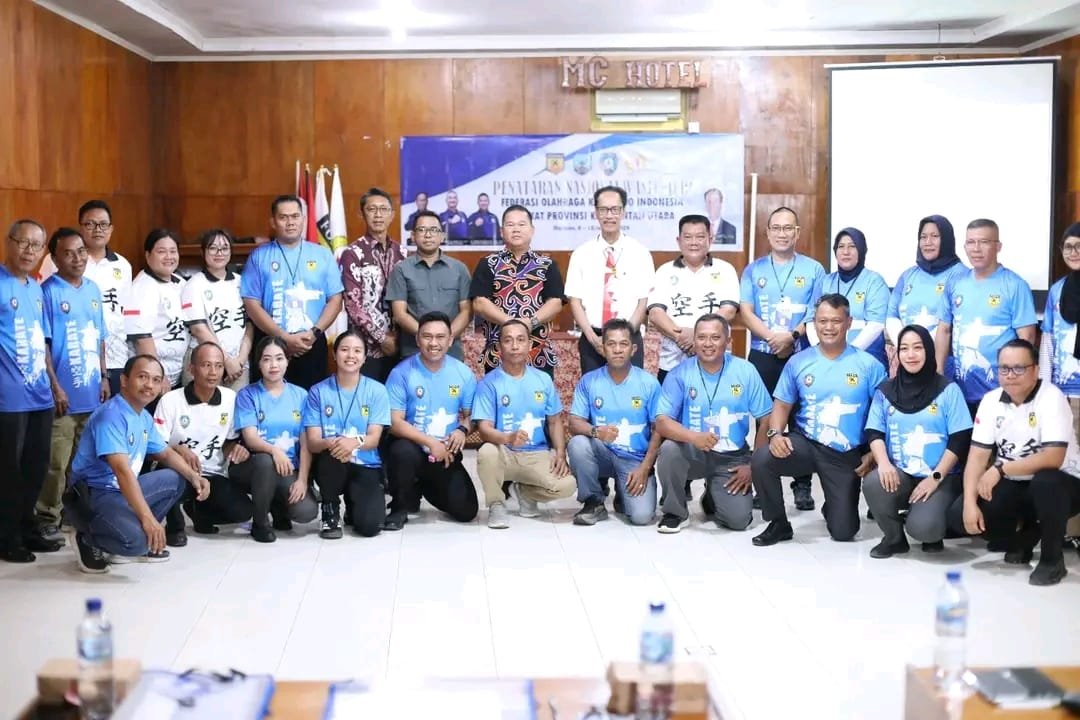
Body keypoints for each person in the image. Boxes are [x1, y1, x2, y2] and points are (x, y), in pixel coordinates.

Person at [750, 294, 885, 546]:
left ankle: (834, 505)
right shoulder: (798, 362)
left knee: (844, 532)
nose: (829, 327)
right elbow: (781, 405)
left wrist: (872, 452)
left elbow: (882, 414)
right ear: (814, 323)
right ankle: (778, 523)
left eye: (836, 321)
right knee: (762, 458)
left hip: (845, 451)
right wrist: (775, 434)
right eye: (823, 321)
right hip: (806, 443)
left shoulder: (869, 366)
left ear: (848, 323)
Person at [63, 355, 211, 573]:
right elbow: (122, 471)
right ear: (124, 380)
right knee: (137, 543)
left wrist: (194, 477)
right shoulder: (111, 416)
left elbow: (165, 453)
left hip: (120, 492)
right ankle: (86, 538)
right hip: (95, 495)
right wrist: (148, 519)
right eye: (142, 377)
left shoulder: (142, 417)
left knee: (176, 478)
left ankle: (130, 531)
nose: (149, 385)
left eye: (156, 380)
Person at [959, 339, 1080, 586]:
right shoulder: (990, 401)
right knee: (961, 515)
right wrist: (969, 504)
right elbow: (977, 457)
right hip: (1016, 483)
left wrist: (1000, 469)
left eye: (1019, 368)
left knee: (1046, 482)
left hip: (1063, 484)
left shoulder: (1052, 398)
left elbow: (1053, 457)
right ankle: (1026, 536)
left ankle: (1052, 559)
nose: (1010, 375)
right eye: (1004, 368)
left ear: (1035, 370)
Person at [740, 206, 825, 510]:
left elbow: (817, 311)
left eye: (788, 228)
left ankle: (802, 485)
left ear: (797, 232)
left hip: (801, 354)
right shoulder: (753, 270)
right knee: (764, 419)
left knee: (801, 419)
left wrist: (792, 336)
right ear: (767, 233)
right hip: (763, 354)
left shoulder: (814, 270)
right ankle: (762, 486)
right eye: (776, 228)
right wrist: (772, 338)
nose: (782, 233)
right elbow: (746, 311)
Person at [654, 314, 772, 533]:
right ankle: (675, 512)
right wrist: (694, 437)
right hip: (692, 451)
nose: (708, 344)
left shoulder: (745, 371)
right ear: (694, 340)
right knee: (669, 449)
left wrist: (752, 465)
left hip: (732, 457)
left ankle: (713, 496)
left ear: (728, 341)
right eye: (701, 337)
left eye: (715, 337)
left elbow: (766, 419)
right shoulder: (680, 373)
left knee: (738, 521)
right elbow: (661, 422)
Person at [862, 325, 972, 558]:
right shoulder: (886, 391)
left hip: (940, 477)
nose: (910, 355)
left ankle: (931, 522)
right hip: (901, 473)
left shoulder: (948, 390)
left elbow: (959, 439)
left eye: (917, 348)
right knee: (873, 483)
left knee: (925, 529)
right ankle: (894, 538)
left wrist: (935, 478)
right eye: (904, 349)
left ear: (929, 350)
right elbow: (874, 431)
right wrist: (883, 464)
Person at [36, 228, 108, 542]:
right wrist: (55, 387)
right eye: (68, 253)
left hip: (91, 392)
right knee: (56, 463)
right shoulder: (48, 292)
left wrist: (104, 376)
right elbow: (43, 345)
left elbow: (100, 337)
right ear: (54, 258)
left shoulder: (93, 289)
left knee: (84, 462)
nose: (77, 258)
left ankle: (73, 514)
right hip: (63, 397)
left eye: (81, 251)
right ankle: (46, 517)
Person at [474, 320, 576, 529]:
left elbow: (554, 421)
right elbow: (484, 430)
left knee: (568, 485)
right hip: (504, 452)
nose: (515, 346)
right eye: (508, 340)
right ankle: (496, 504)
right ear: (499, 346)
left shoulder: (543, 380)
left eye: (520, 340)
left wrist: (559, 452)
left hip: (536, 453)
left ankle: (525, 492)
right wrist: (508, 438)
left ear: (530, 345)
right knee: (486, 452)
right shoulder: (488, 383)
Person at [383, 312, 479, 531]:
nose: (433, 343)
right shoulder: (401, 373)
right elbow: (394, 422)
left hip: (445, 453)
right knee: (401, 451)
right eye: (427, 336)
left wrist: (462, 430)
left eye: (440, 337)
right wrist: (430, 442)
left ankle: (421, 486)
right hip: (412, 449)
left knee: (467, 511)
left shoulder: (463, 373)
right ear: (418, 340)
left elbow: (472, 415)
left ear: (450, 340)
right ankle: (399, 507)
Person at [0, 220, 59, 563]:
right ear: (9, 243)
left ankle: (26, 527)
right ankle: (7, 536)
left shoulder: (36, 288)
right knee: (8, 469)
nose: (28, 251)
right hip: (8, 397)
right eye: (22, 242)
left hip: (40, 394)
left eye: (36, 245)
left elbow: (42, 342)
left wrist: (53, 384)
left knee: (36, 466)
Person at [935, 218, 1037, 418]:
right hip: (960, 392)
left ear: (998, 246)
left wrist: (1017, 384)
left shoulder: (1015, 285)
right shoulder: (955, 283)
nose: (976, 249)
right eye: (971, 242)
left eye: (984, 242)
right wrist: (938, 371)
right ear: (964, 247)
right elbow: (944, 329)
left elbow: (1027, 337)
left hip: (1001, 393)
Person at [154, 342, 253, 546]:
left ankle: (200, 514)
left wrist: (236, 449)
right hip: (178, 470)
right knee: (167, 473)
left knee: (243, 511)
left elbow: (228, 442)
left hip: (212, 472)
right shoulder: (170, 400)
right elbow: (155, 448)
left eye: (218, 366)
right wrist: (178, 450)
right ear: (191, 369)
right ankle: (175, 526)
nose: (213, 372)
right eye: (206, 365)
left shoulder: (230, 398)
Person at [241, 195, 344, 390]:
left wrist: (314, 333)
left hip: (311, 342)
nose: (290, 222)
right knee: (268, 399)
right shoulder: (259, 256)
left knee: (311, 400)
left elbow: (336, 299)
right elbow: (251, 304)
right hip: (271, 343)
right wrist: (283, 337)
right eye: (283, 217)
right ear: (273, 222)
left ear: (303, 219)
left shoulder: (322, 254)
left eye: (295, 216)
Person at [567, 318, 662, 527]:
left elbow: (659, 430)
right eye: (611, 344)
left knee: (641, 517)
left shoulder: (649, 383)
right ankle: (593, 501)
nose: (617, 350)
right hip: (602, 451)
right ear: (603, 348)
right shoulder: (589, 381)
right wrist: (596, 431)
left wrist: (645, 467)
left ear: (633, 349)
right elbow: (574, 422)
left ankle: (623, 491)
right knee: (578, 444)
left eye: (623, 344)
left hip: (635, 459)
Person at [37, 200, 132, 396]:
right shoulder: (54, 261)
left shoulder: (123, 265)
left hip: (116, 358)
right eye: (90, 224)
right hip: (70, 360)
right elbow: (43, 309)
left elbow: (124, 312)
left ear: (111, 228)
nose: (97, 230)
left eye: (103, 224)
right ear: (80, 227)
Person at [303, 331, 390, 539]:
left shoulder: (377, 391)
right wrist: (335, 443)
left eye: (357, 351)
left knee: (370, 527)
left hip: (365, 463)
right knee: (329, 456)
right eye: (344, 349)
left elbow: (373, 439)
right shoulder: (318, 391)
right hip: (331, 461)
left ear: (365, 357)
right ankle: (330, 510)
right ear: (334, 355)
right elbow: (313, 442)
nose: (351, 355)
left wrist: (354, 442)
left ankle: (353, 506)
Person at [232, 337, 319, 543]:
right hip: (253, 466)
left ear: (287, 361)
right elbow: (251, 438)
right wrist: (274, 451)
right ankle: (260, 522)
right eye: (267, 359)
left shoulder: (301, 395)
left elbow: (306, 444)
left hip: (288, 468)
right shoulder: (247, 395)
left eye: (279, 358)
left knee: (306, 511)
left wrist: (302, 480)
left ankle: (277, 506)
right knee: (265, 462)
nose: (273, 365)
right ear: (258, 363)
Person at [566, 185, 655, 373]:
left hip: (629, 338)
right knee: (594, 390)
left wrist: (623, 340)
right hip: (593, 338)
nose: (609, 215)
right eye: (603, 210)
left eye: (615, 209)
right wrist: (592, 338)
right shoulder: (581, 254)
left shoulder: (640, 252)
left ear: (623, 212)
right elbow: (574, 301)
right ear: (596, 213)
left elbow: (643, 302)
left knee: (631, 390)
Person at [470, 205, 564, 376]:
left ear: (532, 230)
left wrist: (530, 322)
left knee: (538, 393)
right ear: (501, 231)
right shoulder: (488, 263)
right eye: (510, 225)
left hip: (538, 354)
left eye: (521, 224)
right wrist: (511, 323)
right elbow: (480, 303)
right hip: (498, 353)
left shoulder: (547, 264)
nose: (516, 229)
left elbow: (556, 302)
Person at [648, 214, 740, 384]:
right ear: (678, 241)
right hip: (672, 364)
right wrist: (683, 337)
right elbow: (655, 314)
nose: (694, 242)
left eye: (700, 237)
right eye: (688, 237)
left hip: (716, 363)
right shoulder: (664, 271)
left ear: (710, 239)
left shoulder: (725, 270)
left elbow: (729, 310)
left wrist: (697, 336)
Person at [338, 188, 405, 384]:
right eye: (372, 209)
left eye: (383, 209)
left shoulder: (402, 252)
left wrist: (399, 338)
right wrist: (382, 338)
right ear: (362, 214)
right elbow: (352, 304)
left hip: (400, 344)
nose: (378, 215)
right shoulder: (353, 253)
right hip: (366, 348)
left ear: (392, 215)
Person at [886, 215, 967, 376]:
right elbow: (891, 316)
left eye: (935, 236)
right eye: (923, 237)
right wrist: (906, 347)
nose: (928, 242)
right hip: (908, 361)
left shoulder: (961, 275)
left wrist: (922, 349)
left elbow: (954, 324)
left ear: (946, 240)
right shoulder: (908, 275)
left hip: (942, 365)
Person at [387, 210, 472, 361]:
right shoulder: (401, 270)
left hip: (451, 353)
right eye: (422, 230)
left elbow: (466, 311)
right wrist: (426, 338)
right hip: (413, 353)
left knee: (452, 380)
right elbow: (400, 314)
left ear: (442, 236)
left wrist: (445, 338)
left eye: (433, 230)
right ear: (413, 236)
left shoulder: (459, 269)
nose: (428, 235)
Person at [181, 228, 252, 391]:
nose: (219, 253)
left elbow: (250, 324)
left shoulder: (242, 282)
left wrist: (240, 360)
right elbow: (199, 329)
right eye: (213, 248)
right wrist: (225, 361)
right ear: (203, 252)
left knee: (236, 406)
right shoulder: (194, 284)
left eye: (224, 248)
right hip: (205, 363)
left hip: (238, 365)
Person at [807, 228, 889, 368]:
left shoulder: (874, 281)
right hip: (826, 361)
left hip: (866, 360)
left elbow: (876, 325)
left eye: (852, 246)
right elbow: (810, 320)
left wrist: (846, 355)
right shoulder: (825, 282)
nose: (846, 252)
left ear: (861, 250)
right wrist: (822, 352)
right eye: (841, 246)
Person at [125, 229, 188, 395]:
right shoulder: (142, 287)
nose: (169, 256)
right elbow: (142, 339)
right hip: (153, 379)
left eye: (173, 251)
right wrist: (158, 375)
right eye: (161, 251)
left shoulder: (181, 283)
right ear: (148, 255)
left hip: (178, 374)